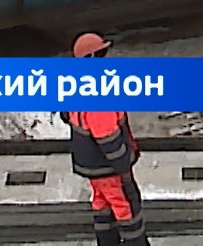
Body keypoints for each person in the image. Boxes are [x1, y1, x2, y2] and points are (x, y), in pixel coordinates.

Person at [65, 32, 148, 246]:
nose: (107, 56)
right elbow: (107, 137)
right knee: (126, 207)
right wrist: (123, 165)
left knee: (102, 204)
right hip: (108, 167)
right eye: (103, 53)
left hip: (92, 166)